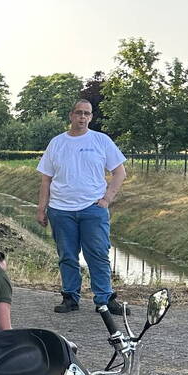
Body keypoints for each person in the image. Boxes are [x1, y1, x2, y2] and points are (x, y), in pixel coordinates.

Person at [36, 99, 129, 316]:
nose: (83, 117)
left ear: (91, 117)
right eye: (79, 113)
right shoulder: (57, 143)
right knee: (67, 255)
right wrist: (42, 208)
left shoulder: (101, 141)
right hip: (61, 210)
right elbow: (46, 180)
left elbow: (120, 172)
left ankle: (104, 299)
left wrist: (106, 199)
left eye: (87, 113)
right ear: (71, 115)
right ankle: (70, 297)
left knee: (97, 253)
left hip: (92, 209)